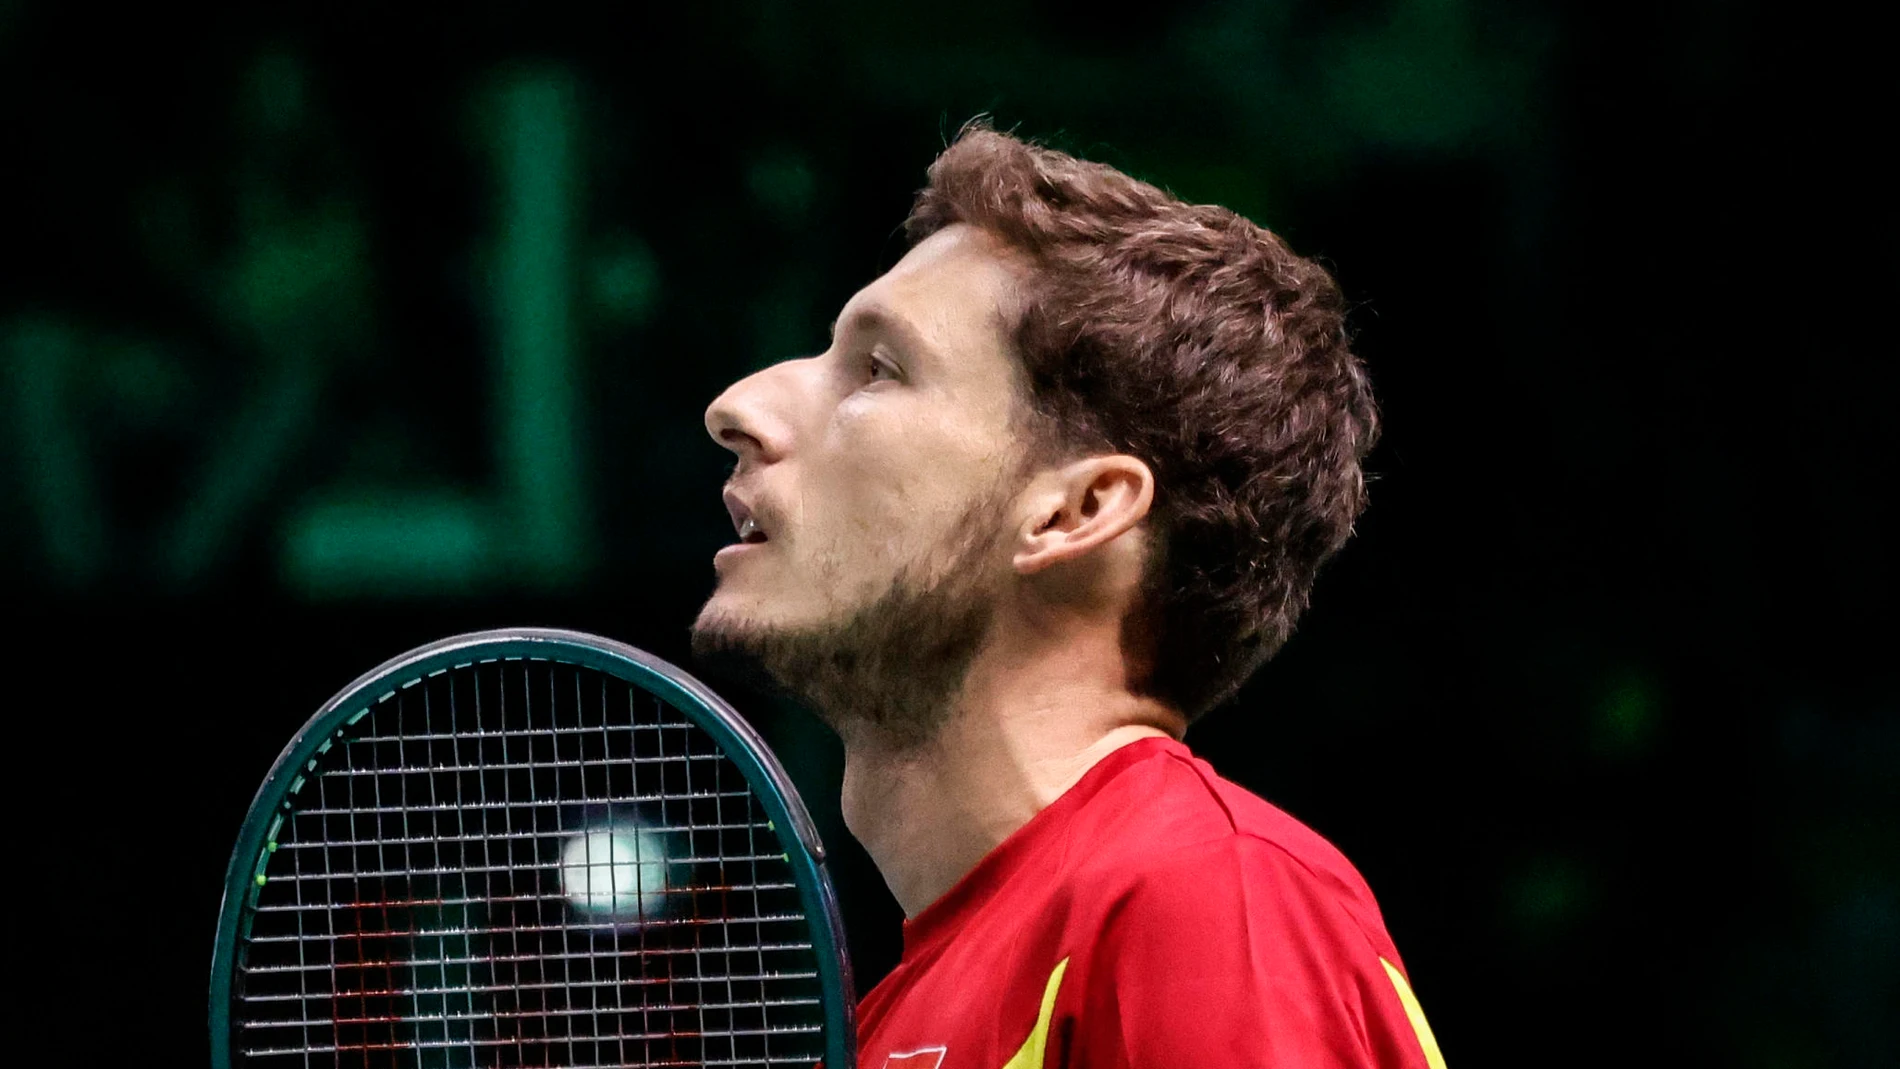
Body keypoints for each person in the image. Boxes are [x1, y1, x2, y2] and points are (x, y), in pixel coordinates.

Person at [691, 124, 1446, 1069]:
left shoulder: (1212, 898)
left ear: (1075, 510)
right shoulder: (906, 1017)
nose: (739, 406)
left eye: (879, 370)